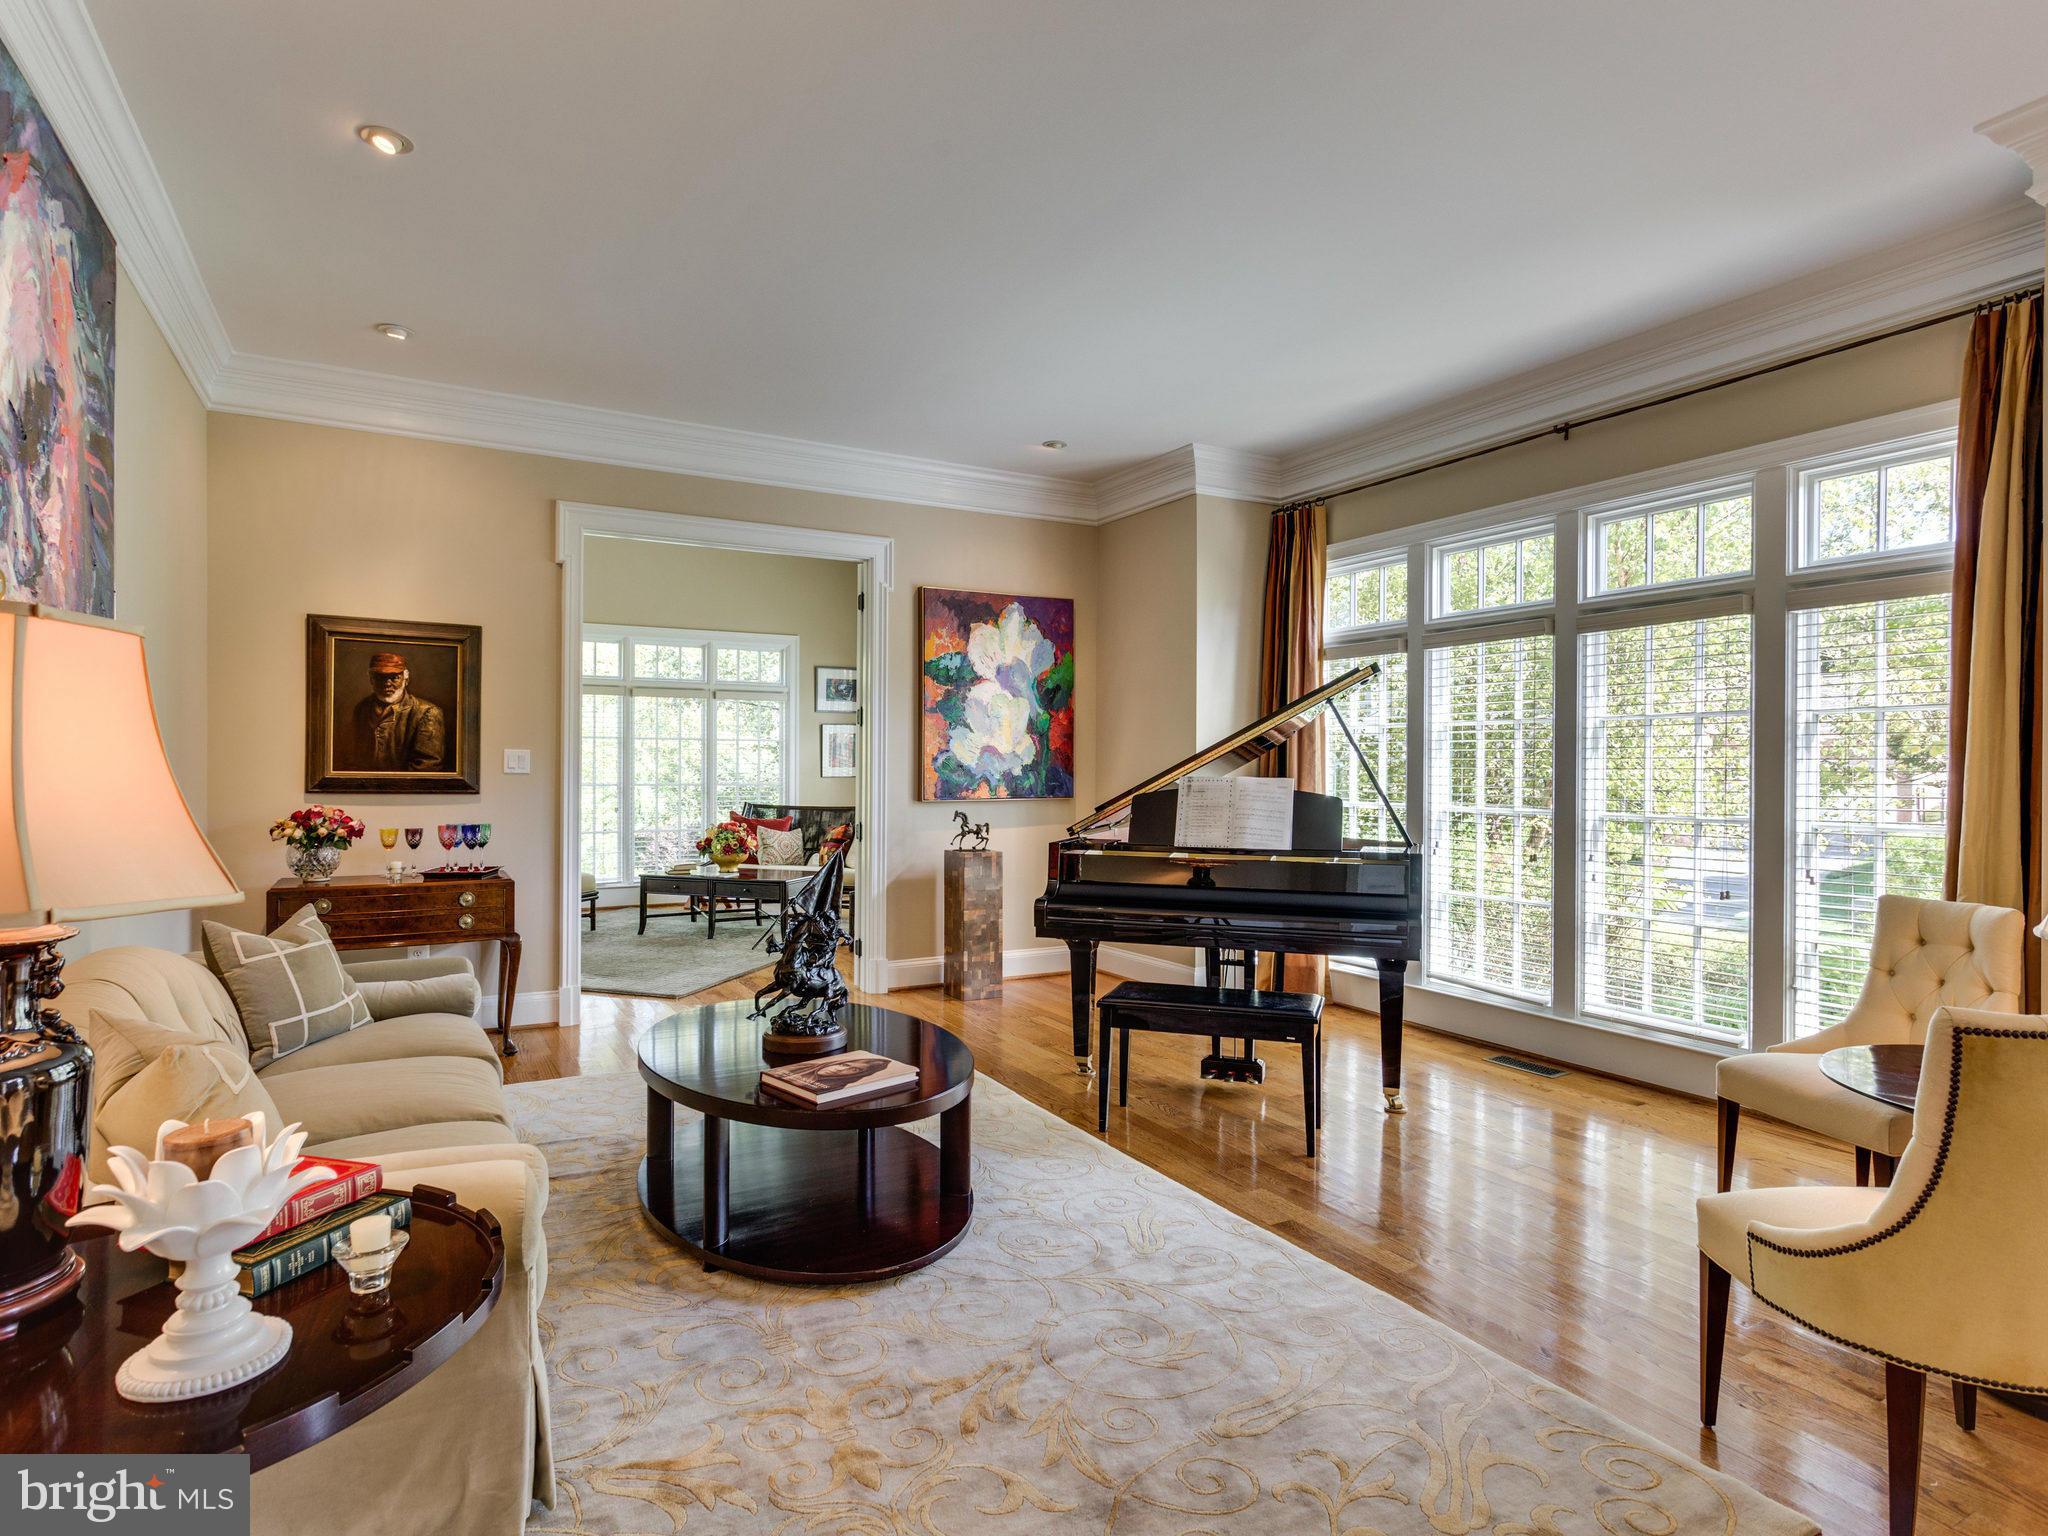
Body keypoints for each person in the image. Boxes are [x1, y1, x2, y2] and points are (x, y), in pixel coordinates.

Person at [349, 651, 446, 771]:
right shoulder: (362, 708)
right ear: (371, 679)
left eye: (394, 678)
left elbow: (427, 766)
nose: (387, 684)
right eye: (380, 677)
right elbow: (353, 758)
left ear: (406, 678)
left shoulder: (427, 712)